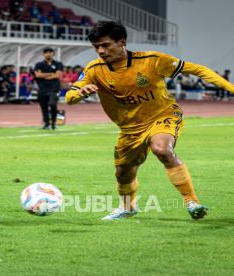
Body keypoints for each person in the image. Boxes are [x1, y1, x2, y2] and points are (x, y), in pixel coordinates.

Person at [65, 21, 234, 220]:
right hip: (130, 129)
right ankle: (128, 208)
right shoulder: (94, 69)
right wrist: (80, 94)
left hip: (162, 115)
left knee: (161, 149)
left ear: (122, 42)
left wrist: (231, 89)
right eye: (96, 47)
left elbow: (198, 70)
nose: (101, 51)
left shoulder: (152, 60)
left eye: (105, 45)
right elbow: (70, 97)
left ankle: (192, 201)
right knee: (123, 173)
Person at [34, 47, 63, 130]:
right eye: (46, 52)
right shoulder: (39, 64)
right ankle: (46, 124)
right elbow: (37, 75)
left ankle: (53, 124)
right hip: (42, 89)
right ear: (43, 54)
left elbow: (58, 75)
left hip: (54, 89)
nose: (48, 54)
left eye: (50, 52)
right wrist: (51, 74)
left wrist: (43, 75)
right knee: (44, 107)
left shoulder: (58, 64)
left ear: (53, 54)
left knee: (53, 104)